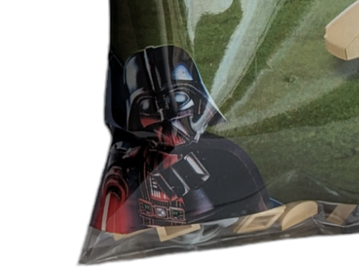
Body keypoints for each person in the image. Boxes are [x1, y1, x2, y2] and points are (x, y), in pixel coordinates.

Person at [91, 45, 275, 233]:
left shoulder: (224, 157)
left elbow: (260, 217)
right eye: (148, 106)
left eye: (178, 98)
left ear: (199, 100)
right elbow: (112, 233)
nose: (167, 119)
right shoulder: (126, 169)